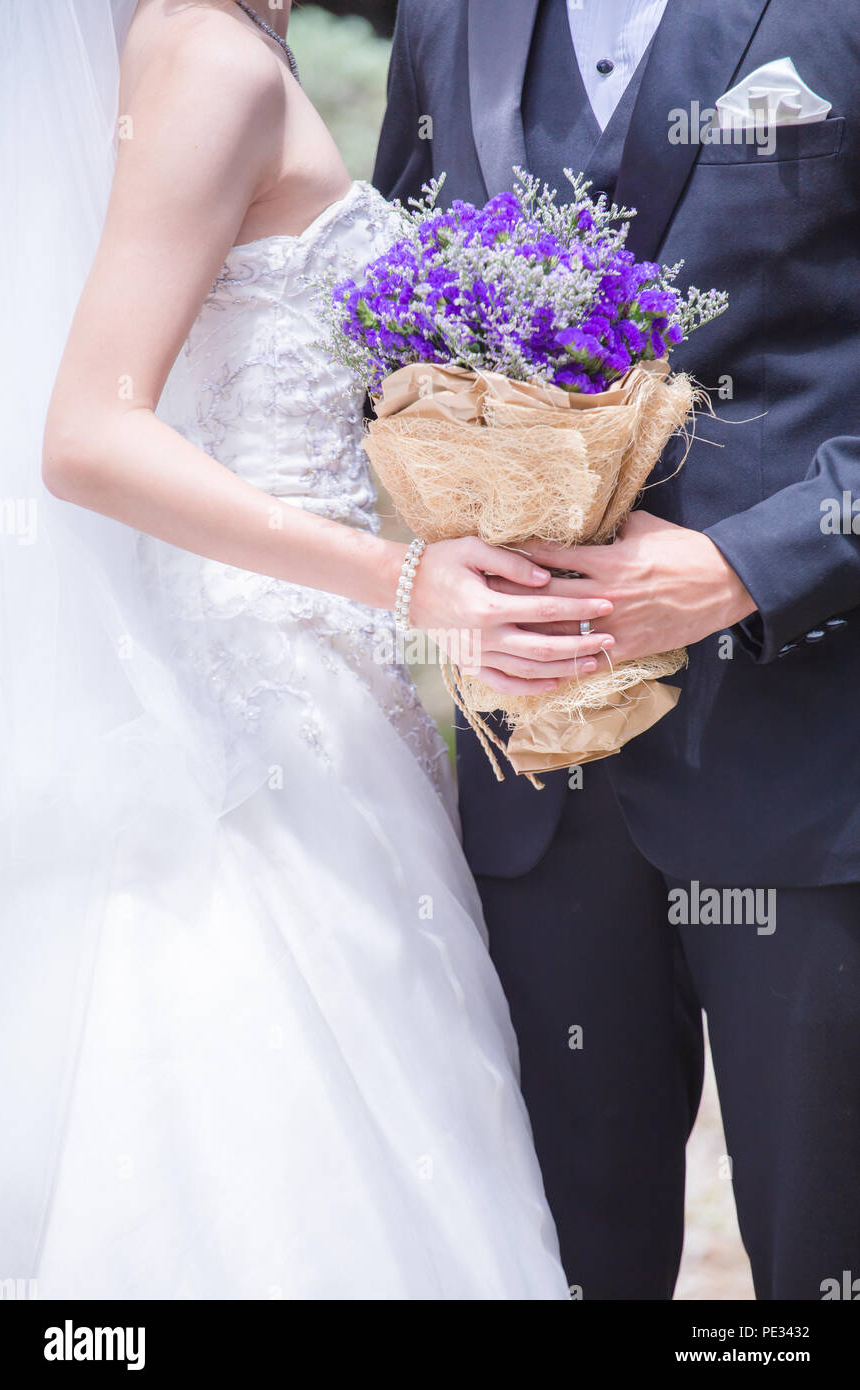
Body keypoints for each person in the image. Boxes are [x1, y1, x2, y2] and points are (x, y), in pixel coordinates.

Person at [0, 0, 605, 1299]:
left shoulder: (223, 42)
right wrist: (398, 575)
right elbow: (87, 435)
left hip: (338, 691)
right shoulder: (207, 53)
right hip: (265, 718)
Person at [375, 0, 860, 1299]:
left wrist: (745, 563)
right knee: (563, 1260)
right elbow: (394, 335)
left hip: (809, 759)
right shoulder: (448, 23)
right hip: (535, 778)